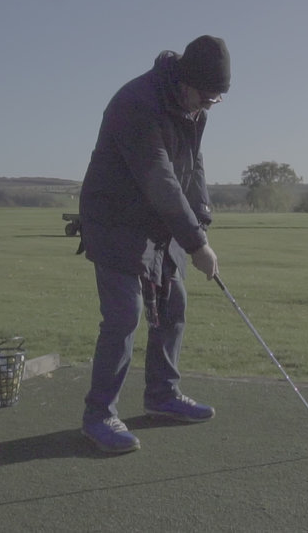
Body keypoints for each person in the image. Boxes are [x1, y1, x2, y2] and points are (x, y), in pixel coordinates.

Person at [78, 35, 230, 453]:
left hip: (159, 224)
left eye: (215, 100)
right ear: (186, 80)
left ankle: (162, 395)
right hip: (115, 221)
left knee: (173, 306)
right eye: (205, 96)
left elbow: (193, 166)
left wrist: (201, 221)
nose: (207, 105)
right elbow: (158, 176)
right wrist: (196, 243)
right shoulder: (136, 103)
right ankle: (99, 414)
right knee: (125, 315)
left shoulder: (193, 107)